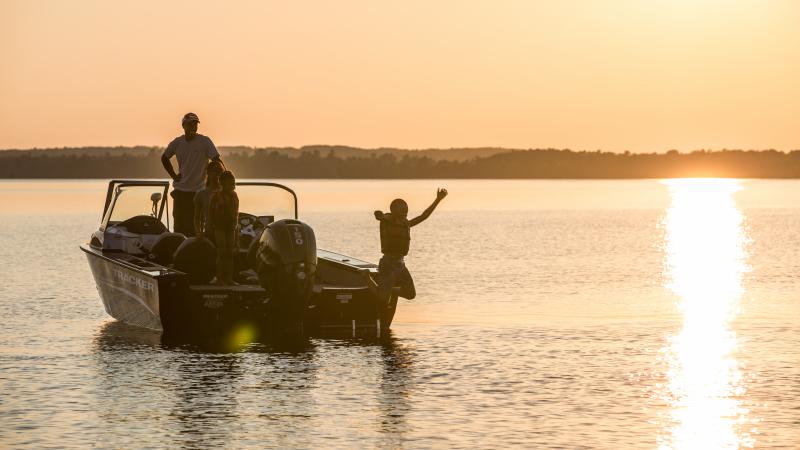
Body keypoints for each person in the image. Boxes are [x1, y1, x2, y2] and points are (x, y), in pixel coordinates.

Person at [373, 188, 448, 307]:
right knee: (383, 301)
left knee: (410, 293)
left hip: (400, 265)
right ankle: (367, 278)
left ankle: (385, 290)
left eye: (407, 209)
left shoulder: (406, 224)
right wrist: (379, 214)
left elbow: (424, 216)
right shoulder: (388, 219)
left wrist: (438, 199)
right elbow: (381, 216)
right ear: (394, 210)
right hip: (388, 263)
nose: (406, 211)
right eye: (403, 209)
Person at [161, 112, 223, 236]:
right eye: (190, 124)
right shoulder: (177, 142)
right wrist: (174, 175)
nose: (193, 127)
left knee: (197, 226)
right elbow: (164, 158)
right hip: (180, 192)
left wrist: (224, 181)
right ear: (184, 126)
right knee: (179, 226)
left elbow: (216, 160)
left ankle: (196, 251)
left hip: (198, 192)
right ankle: (180, 251)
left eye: (195, 124)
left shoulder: (205, 141)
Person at [209, 170, 239, 285]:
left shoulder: (234, 196)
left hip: (231, 228)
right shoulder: (215, 197)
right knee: (222, 252)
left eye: (234, 183)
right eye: (230, 184)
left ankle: (229, 279)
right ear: (222, 184)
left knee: (229, 254)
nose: (233, 186)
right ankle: (219, 278)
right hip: (219, 228)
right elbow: (210, 214)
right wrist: (211, 228)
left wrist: (237, 235)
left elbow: (236, 214)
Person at [193, 160, 224, 239]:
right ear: (208, 173)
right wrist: (198, 233)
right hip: (208, 233)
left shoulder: (226, 193)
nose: (218, 174)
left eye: (220, 172)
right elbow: (197, 218)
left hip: (224, 232)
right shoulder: (201, 194)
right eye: (215, 171)